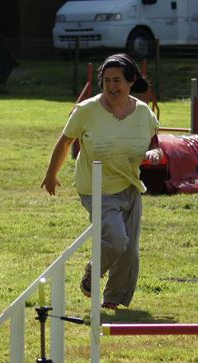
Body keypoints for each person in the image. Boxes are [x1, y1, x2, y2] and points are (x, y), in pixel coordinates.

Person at [41, 53, 159, 310]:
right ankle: (93, 274)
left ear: (131, 82)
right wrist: (51, 174)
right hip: (96, 187)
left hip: (129, 185)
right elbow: (65, 141)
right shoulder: (87, 110)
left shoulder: (143, 113)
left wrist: (155, 154)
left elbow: (154, 143)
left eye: (117, 80)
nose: (111, 86)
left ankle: (112, 301)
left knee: (130, 252)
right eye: (106, 81)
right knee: (117, 240)